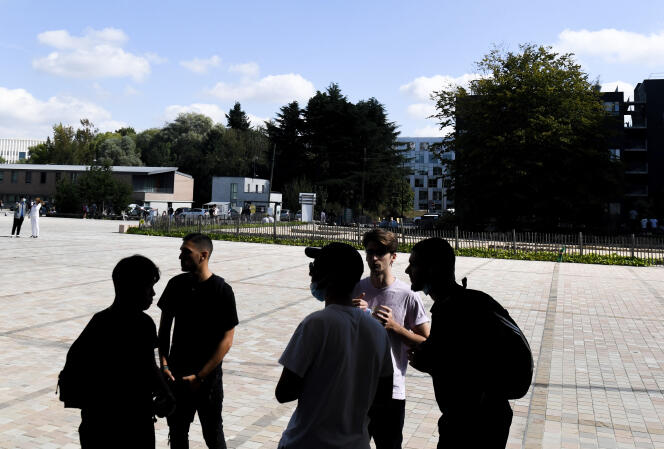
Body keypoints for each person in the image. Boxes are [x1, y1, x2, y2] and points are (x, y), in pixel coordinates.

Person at [276, 242, 393, 449]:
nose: (311, 273)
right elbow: (383, 396)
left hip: (308, 442)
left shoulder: (315, 324)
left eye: (315, 268)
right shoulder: (377, 331)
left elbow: (284, 392)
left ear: (327, 276)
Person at [406, 238, 513, 448]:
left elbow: (462, 369)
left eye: (414, 264)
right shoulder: (469, 300)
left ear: (433, 268)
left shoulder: (452, 309)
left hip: (472, 423)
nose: (408, 270)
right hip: (488, 415)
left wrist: (427, 362)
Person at [64, 255, 174, 449]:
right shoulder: (141, 324)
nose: (153, 293)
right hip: (126, 425)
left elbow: (148, 365)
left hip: (100, 424)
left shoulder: (100, 321)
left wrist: (165, 393)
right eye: (149, 287)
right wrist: (165, 394)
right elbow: (148, 366)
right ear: (133, 288)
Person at [158, 233, 238, 449]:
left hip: (208, 380)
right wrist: (164, 365)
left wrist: (200, 377)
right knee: (177, 433)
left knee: (213, 434)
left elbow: (227, 340)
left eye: (186, 252)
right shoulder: (176, 285)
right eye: (181, 252)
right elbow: (164, 331)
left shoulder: (222, 290)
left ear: (203, 255)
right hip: (177, 375)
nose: (180, 257)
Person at [352, 229, 430, 449]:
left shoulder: (408, 295)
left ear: (393, 257)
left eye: (381, 253)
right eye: (370, 252)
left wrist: (395, 327)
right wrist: (351, 315)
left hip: (391, 391)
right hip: (356, 387)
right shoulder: (356, 290)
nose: (374, 258)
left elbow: (426, 342)